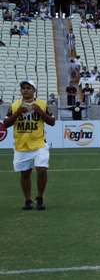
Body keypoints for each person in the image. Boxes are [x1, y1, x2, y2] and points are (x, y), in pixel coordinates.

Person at [3, 80, 56, 210]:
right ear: (20, 91)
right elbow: (6, 124)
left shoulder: (42, 104)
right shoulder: (15, 105)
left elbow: (52, 122)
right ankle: (28, 200)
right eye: (23, 88)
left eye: (28, 88)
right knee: (25, 174)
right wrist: (17, 113)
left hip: (39, 143)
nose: (25, 90)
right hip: (21, 145)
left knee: (42, 170)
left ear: (34, 90)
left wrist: (40, 111)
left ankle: (39, 197)